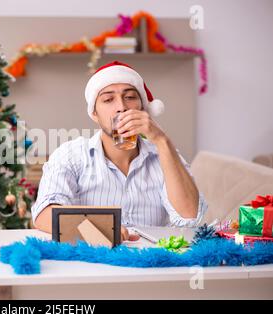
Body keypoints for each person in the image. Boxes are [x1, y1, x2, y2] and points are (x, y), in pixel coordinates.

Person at [31, 61, 207, 241]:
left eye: (130, 97)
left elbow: (189, 217)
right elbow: (44, 215)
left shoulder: (165, 154)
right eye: (108, 99)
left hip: (153, 263)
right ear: (94, 113)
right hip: (93, 262)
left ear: (142, 108)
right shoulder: (71, 155)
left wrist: (162, 140)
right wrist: (101, 226)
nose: (121, 107)